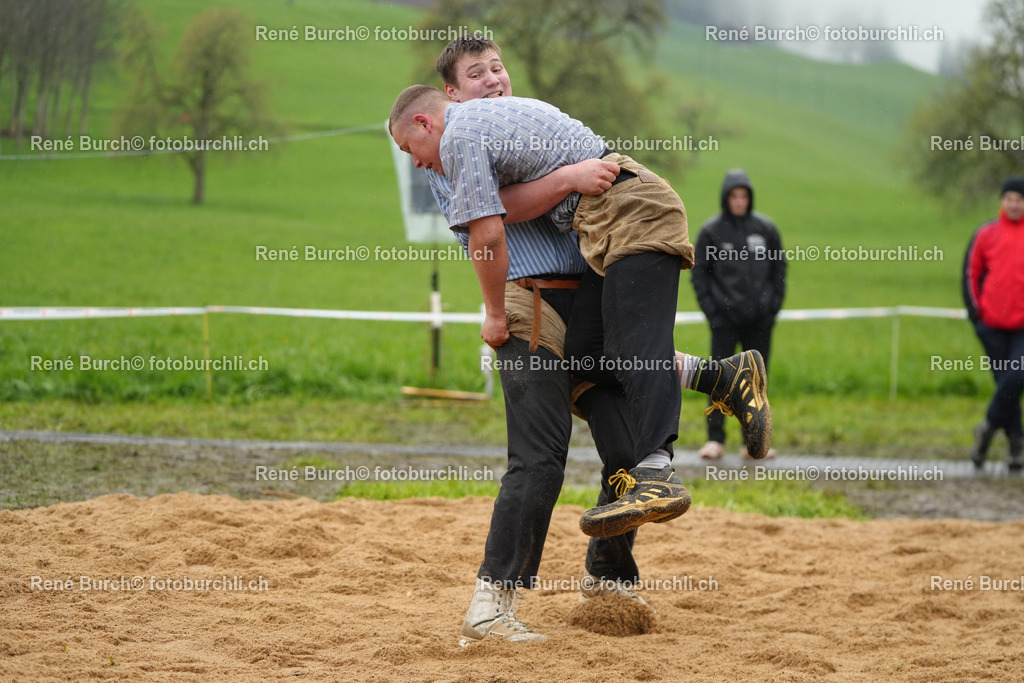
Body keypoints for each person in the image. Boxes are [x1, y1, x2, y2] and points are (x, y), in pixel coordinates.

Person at [389, 88, 772, 535]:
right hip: (603, 225)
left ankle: (656, 472)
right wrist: (569, 177)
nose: (416, 163)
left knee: (634, 346)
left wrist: (494, 314)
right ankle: (722, 376)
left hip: (633, 211)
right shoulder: (476, 128)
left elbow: (488, 234)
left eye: (409, 149)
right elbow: (505, 207)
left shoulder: (459, 135)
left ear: (424, 123)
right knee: (587, 353)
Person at [422, 35, 663, 646]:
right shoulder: (451, 147)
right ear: (452, 96)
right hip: (528, 306)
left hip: (591, 305)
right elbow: (497, 214)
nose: (493, 79)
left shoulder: (524, 133)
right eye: (476, 74)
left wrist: (572, 175)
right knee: (539, 457)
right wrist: (570, 178)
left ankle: (608, 576)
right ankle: (490, 603)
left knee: (629, 447)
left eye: (497, 67)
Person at [691, 170, 786, 460]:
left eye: (744, 196)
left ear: (750, 198)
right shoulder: (711, 232)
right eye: (734, 195)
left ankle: (752, 444)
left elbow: (779, 271)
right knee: (718, 378)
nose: (739, 201)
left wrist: (771, 310)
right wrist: (713, 313)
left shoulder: (765, 229)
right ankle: (715, 439)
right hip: (724, 322)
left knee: (756, 382)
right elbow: (699, 275)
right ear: (726, 197)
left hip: (760, 321)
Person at [964, 176, 1024, 472]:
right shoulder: (986, 234)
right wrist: (976, 315)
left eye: (1019, 200)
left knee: (1015, 377)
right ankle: (1016, 444)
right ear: (1002, 201)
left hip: (1022, 327)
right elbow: (970, 274)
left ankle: (987, 428)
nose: (1014, 204)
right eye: (1009, 199)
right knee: (1006, 384)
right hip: (992, 325)